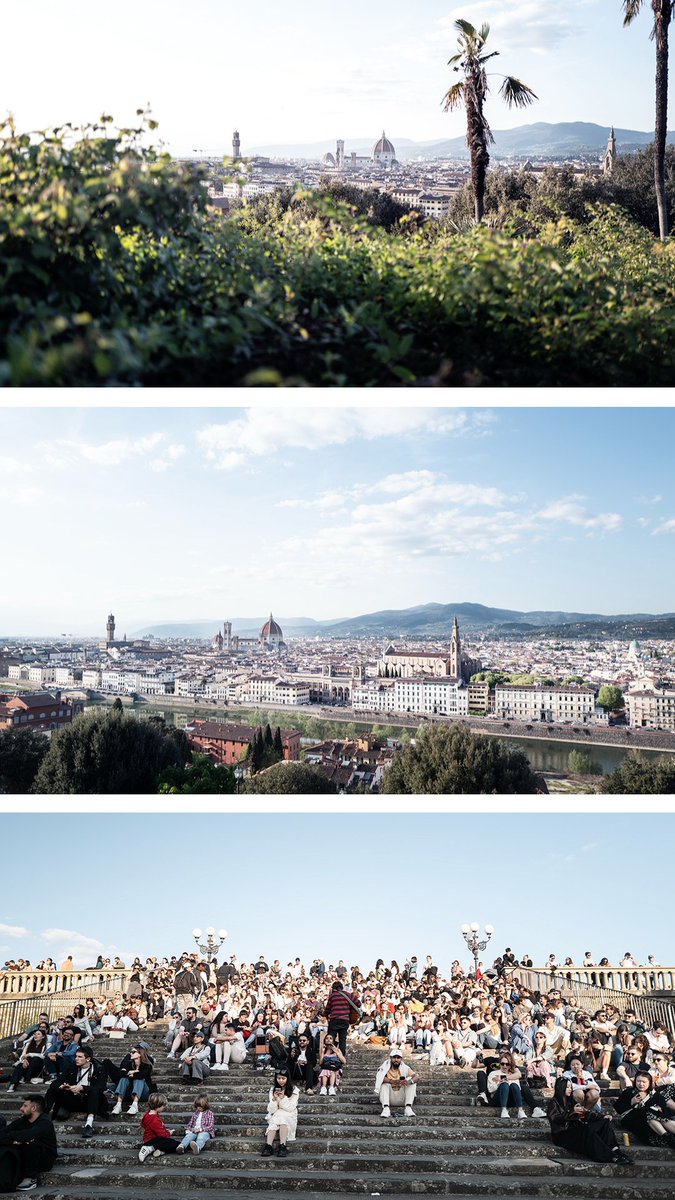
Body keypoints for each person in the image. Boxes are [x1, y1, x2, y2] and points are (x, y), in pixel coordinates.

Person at [547, 1078, 632, 1164]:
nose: (570, 1089)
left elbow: (584, 1115)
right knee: (586, 1130)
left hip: (575, 1130)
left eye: (570, 1087)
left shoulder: (571, 1101)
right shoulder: (554, 1102)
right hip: (562, 1135)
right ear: (560, 1088)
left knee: (604, 1122)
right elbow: (554, 1118)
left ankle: (615, 1150)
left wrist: (602, 1116)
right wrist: (571, 1112)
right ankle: (610, 1156)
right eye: (567, 1087)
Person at [43, 1046, 108, 1139]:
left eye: (80, 1057)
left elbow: (101, 1088)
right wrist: (62, 1086)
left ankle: (88, 1125)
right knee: (52, 1090)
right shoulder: (72, 1066)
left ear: (88, 1059)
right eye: (76, 1056)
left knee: (94, 1092)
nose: (76, 1059)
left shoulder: (99, 1068)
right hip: (73, 1098)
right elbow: (55, 1083)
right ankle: (44, 1117)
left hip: (90, 1101)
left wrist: (82, 1088)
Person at [0, 1094, 58, 1193]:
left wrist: (21, 1137)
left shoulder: (45, 1122)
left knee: (31, 1142)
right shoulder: (23, 1120)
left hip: (44, 1158)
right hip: (27, 1155)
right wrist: (14, 1140)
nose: (21, 1108)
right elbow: (3, 1133)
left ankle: (31, 1179)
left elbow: (30, 1134)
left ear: (34, 1108)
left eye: (25, 1106)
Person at [613, 1070, 675, 1149]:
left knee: (654, 1115)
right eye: (638, 1081)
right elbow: (618, 1109)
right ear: (635, 1081)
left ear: (649, 1082)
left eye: (644, 1082)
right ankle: (668, 1138)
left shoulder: (655, 1095)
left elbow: (665, 1110)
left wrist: (660, 1109)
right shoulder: (628, 1092)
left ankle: (668, 1137)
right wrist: (631, 1102)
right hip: (633, 1119)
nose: (641, 1084)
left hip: (653, 1122)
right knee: (649, 1112)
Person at [262, 1068, 299, 1158]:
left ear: (287, 1078)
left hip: (290, 1114)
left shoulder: (294, 1090)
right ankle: (269, 1146)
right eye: (279, 1078)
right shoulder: (273, 1090)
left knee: (281, 1118)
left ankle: (282, 1145)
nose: (281, 1081)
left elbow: (291, 1108)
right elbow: (271, 1110)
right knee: (276, 1118)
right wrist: (274, 1099)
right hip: (277, 1113)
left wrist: (283, 1098)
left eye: (283, 1078)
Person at [106, 1047, 154, 1116]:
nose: (131, 1053)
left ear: (140, 1054)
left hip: (143, 1093)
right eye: (131, 1051)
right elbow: (121, 1074)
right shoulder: (130, 1064)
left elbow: (142, 1075)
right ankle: (118, 1104)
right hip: (131, 1092)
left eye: (134, 1052)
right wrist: (134, 1072)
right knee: (123, 1079)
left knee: (139, 1079)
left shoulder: (147, 1065)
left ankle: (135, 1105)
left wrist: (131, 1073)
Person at [375, 1048, 419, 1118]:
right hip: (389, 1098)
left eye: (398, 1058)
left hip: (401, 1098)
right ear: (390, 1058)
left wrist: (408, 1082)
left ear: (401, 1059)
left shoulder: (404, 1067)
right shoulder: (385, 1067)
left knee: (411, 1080)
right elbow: (379, 1077)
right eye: (394, 1057)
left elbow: (416, 1076)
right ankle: (386, 1109)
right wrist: (391, 1081)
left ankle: (408, 1108)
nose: (396, 1060)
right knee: (384, 1084)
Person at [486, 1050, 528, 1120]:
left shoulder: (513, 1075)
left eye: (507, 1064)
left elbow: (518, 1089)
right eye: (502, 1064)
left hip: (511, 1100)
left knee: (514, 1085)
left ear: (510, 1065)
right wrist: (500, 1083)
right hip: (498, 1099)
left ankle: (520, 1110)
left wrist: (503, 1079)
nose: (504, 1066)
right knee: (504, 1084)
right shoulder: (493, 1074)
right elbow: (490, 1090)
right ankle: (504, 1110)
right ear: (500, 1064)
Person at [139, 1093, 180, 1162]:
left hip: (148, 1139)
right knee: (174, 1144)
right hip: (153, 1141)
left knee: (169, 1143)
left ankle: (160, 1151)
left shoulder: (147, 1114)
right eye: (163, 1106)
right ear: (158, 1106)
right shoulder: (154, 1119)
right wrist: (169, 1133)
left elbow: (143, 1125)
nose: (164, 1107)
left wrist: (162, 1129)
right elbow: (162, 1135)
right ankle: (149, 1148)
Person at [323, 981, 359, 1057]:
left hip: (334, 1020)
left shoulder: (332, 996)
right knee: (342, 1040)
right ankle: (341, 1056)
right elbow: (358, 1003)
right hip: (345, 1019)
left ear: (333, 988)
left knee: (331, 1038)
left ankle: (330, 1055)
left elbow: (327, 1009)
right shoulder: (348, 995)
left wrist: (324, 1015)